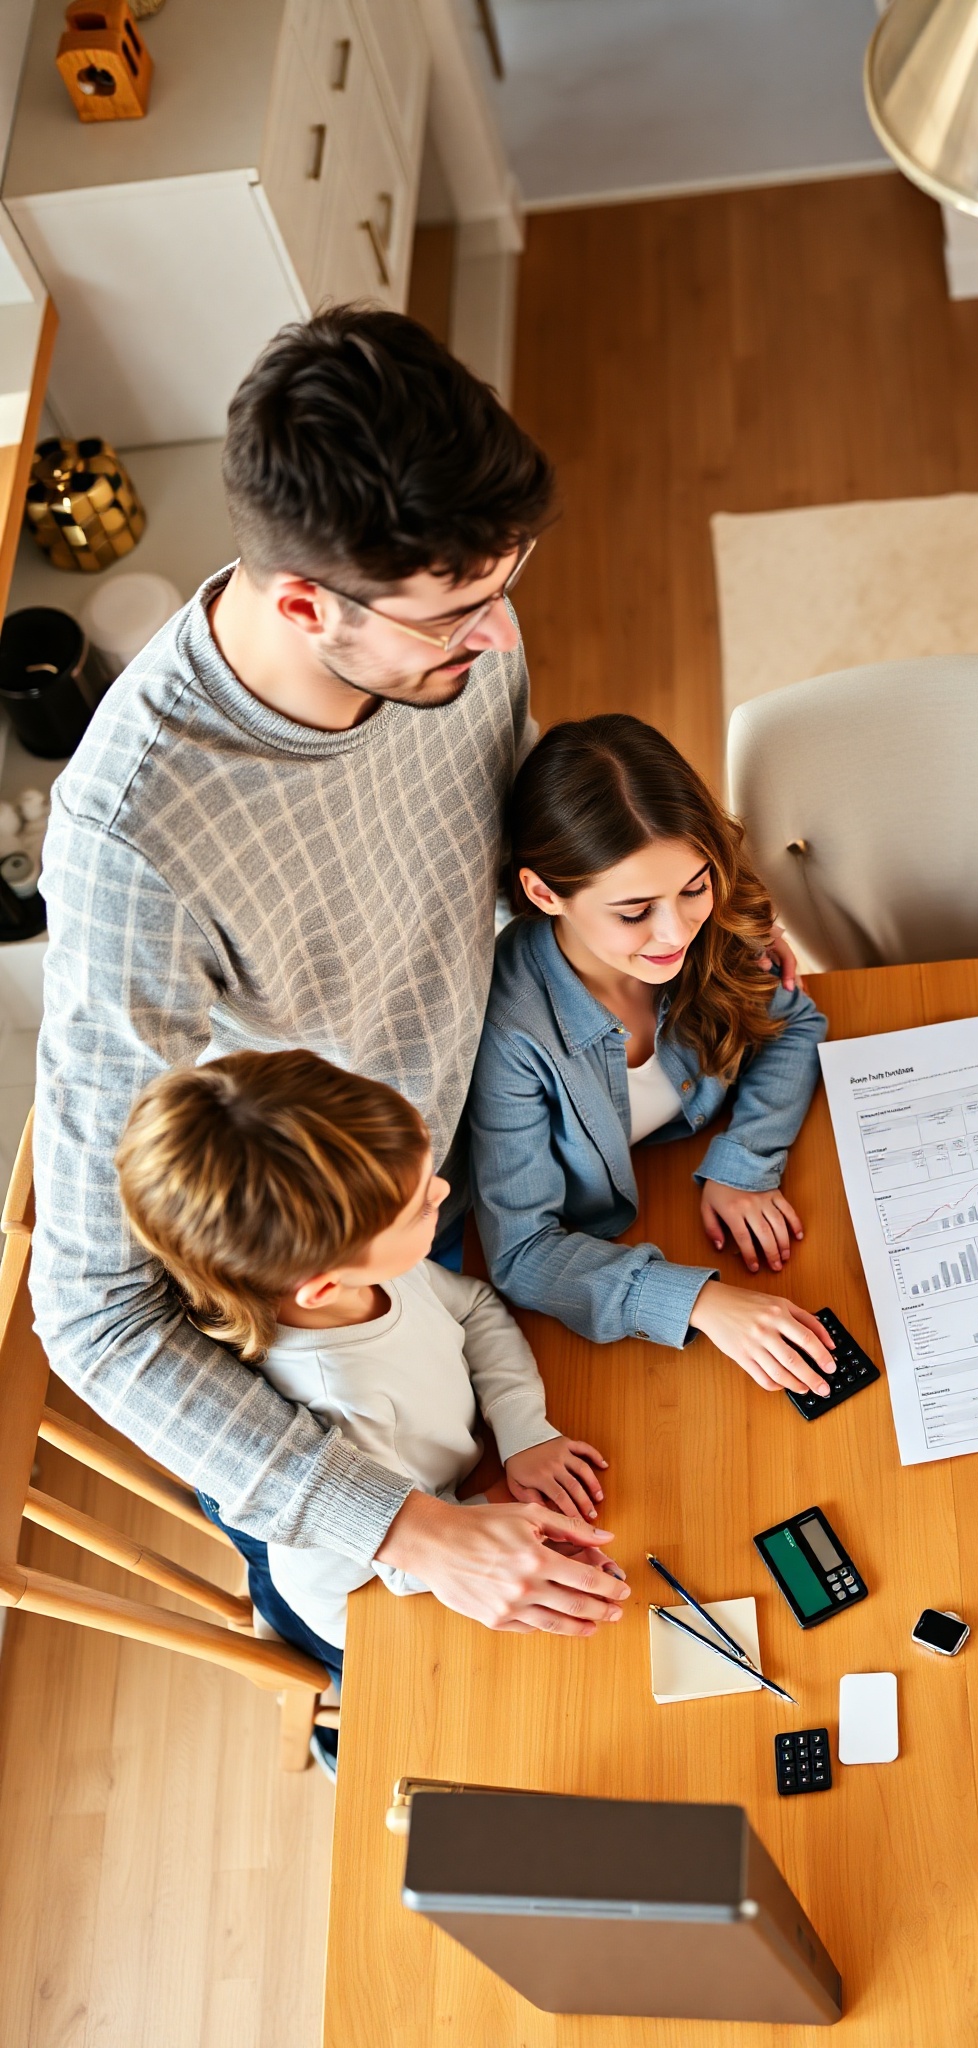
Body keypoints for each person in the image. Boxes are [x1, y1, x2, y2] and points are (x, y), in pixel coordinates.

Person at [30, 307, 631, 1645]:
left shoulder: (445, 635)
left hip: (478, 1164)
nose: (498, 638)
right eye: (458, 613)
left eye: (505, 586)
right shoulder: (137, 840)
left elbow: (504, 846)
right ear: (306, 603)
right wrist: (402, 1528)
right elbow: (95, 1315)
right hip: (336, 1290)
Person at [115, 1051, 611, 1689]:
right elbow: (402, 1565)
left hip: (446, 1497)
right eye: (420, 1208)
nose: (443, 1192)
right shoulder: (341, 1400)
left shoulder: (372, 1272)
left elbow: (473, 1307)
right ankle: (329, 1727)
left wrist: (523, 1431)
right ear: (323, 1287)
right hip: (364, 1607)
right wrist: (502, 1508)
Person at [468, 715, 837, 1395]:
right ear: (545, 894)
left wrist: (743, 1163)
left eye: (694, 887)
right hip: (612, 1279)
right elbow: (521, 1251)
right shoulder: (512, 1032)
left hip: (684, 1188)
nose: (676, 933)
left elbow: (795, 1024)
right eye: (634, 912)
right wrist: (698, 1301)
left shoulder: (713, 923)